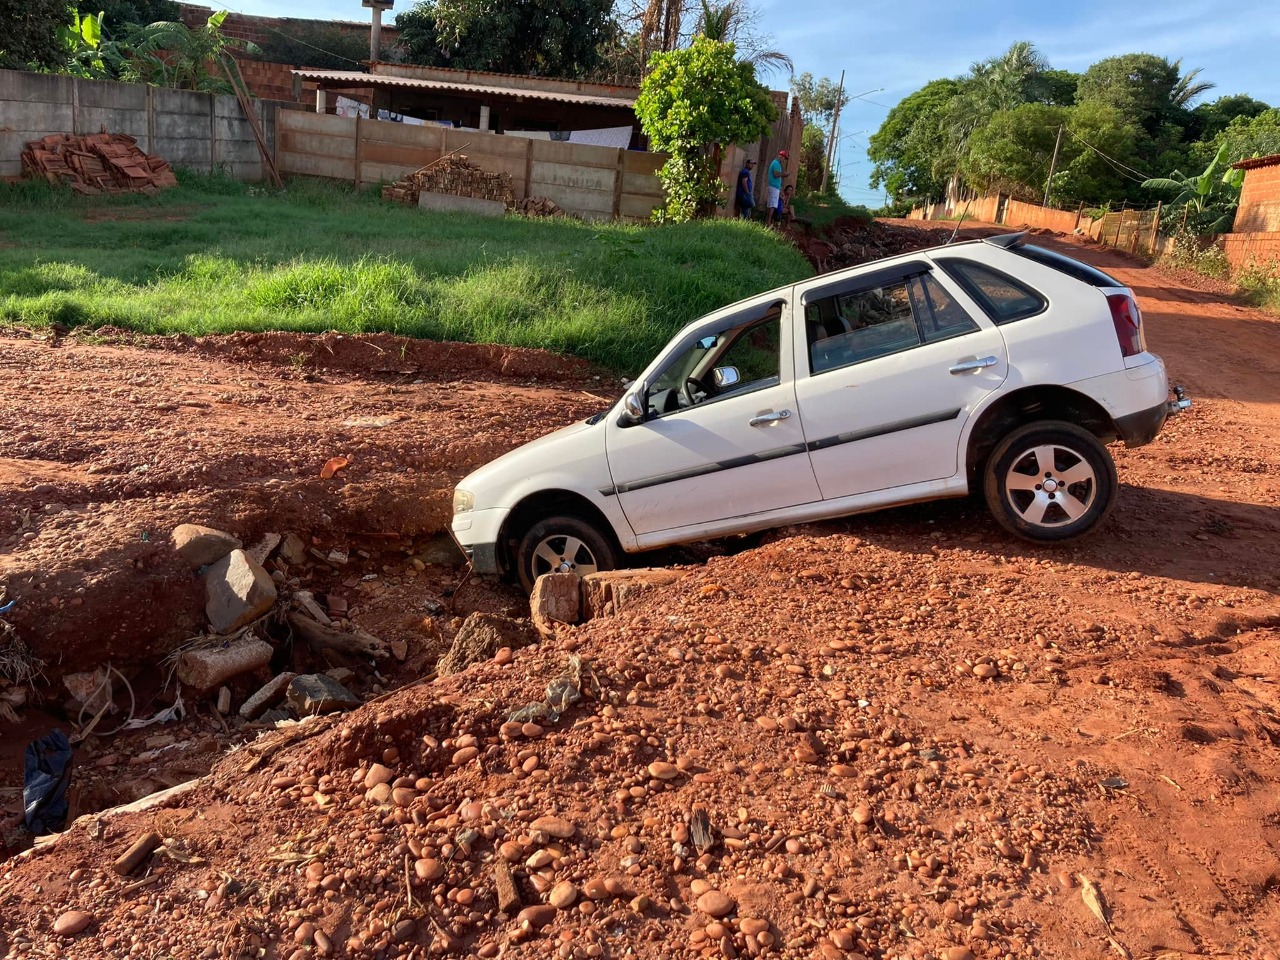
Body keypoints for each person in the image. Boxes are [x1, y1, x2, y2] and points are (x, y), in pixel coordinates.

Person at [764, 149, 787, 225]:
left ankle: (768, 221)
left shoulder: (776, 163)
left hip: (774, 187)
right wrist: (784, 174)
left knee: (771, 204)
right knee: (772, 205)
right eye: (784, 158)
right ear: (781, 156)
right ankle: (769, 222)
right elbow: (776, 174)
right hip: (773, 187)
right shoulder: (776, 163)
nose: (784, 160)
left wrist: (780, 190)